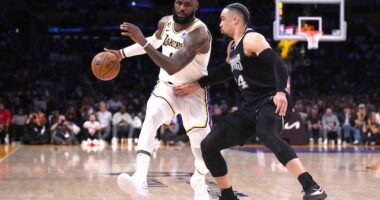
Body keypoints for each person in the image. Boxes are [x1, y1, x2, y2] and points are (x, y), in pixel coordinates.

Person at [172, 3, 327, 200]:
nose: (219, 23)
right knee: (209, 145)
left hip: (271, 101)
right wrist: (199, 84)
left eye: (222, 19)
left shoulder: (252, 38)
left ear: (235, 20)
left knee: (266, 134)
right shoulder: (232, 47)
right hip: (250, 107)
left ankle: (311, 186)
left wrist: (280, 92)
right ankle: (228, 196)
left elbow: (278, 64)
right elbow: (226, 72)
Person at [105, 0, 211, 199]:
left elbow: (172, 65)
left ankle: (199, 179)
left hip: (193, 91)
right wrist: (121, 54)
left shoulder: (199, 34)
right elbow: (154, 42)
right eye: (179, 2)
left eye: (187, 4)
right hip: (167, 88)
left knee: (202, 149)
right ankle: (140, 180)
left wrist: (141, 41)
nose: (181, 8)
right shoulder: (165, 23)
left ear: (196, 5)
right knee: (151, 118)